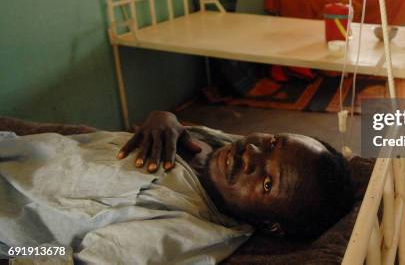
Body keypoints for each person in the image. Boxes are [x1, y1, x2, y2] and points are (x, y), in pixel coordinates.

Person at [0, 111, 354, 262]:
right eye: (275, 141)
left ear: (269, 225)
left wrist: (12, 254)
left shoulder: (189, 229)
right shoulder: (212, 148)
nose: (252, 152)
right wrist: (165, 118)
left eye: (266, 182)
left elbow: (76, 260)